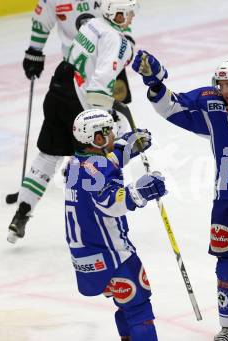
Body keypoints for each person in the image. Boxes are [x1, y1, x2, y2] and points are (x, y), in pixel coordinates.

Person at [132, 52, 228, 341]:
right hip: (226, 200)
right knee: (227, 268)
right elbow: (170, 106)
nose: (225, 90)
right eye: (221, 83)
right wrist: (154, 83)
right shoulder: (211, 102)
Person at [7, 0, 137, 243]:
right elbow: (99, 85)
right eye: (129, 13)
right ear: (118, 14)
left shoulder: (92, 26)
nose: (132, 18)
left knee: (48, 154)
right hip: (83, 93)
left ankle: (22, 212)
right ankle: (100, 216)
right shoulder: (115, 40)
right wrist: (105, 120)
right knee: (102, 148)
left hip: (61, 82)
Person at [65, 108, 166, 341]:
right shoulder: (94, 170)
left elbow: (105, 162)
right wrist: (142, 191)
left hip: (85, 254)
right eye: (109, 131)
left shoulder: (75, 164)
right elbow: (111, 202)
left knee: (126, 305)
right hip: (111, 254)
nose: (114, 133)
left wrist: (126, 146)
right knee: (139, 310)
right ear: (97, 138)